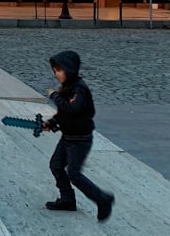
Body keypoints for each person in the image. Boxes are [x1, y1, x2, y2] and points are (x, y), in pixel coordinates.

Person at [43, 50, 114, 222]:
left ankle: (102, 199)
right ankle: (67, 199)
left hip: (80, 140)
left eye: (59, 70)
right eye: (55, 71)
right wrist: (52, 123)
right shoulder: (67, 88)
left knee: (74, 173)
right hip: (68, 137)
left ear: (70, 69)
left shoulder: (79, 89)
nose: (57, 74)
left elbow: (72, 109)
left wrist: (55, 96)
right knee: (56, 165)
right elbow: (64, 114)